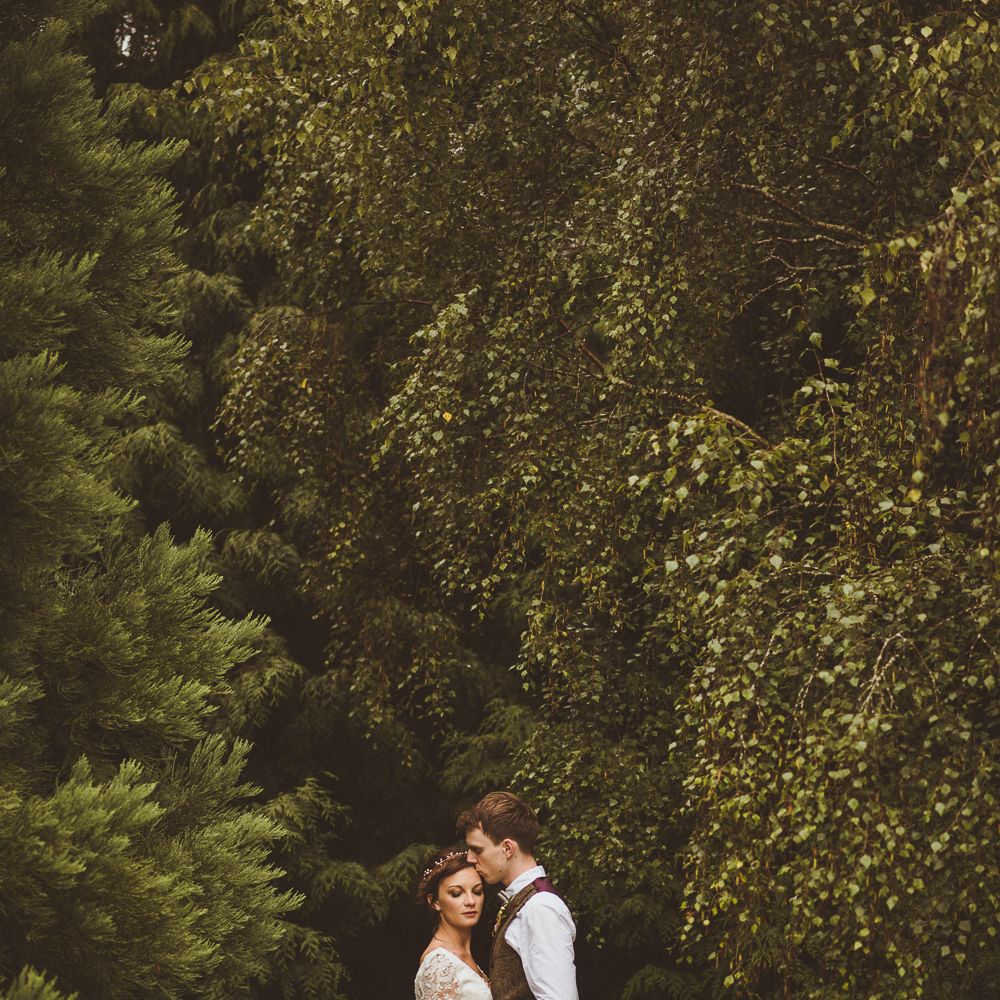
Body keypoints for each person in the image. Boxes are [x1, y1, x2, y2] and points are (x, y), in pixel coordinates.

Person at [458, 792, 579, 1000]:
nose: (470, 858)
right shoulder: (526, 903)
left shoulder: (541, 908)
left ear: (507, 848)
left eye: (477, 850)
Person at [415, 846, 493, 1000]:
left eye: (477, 891)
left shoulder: (462, 956)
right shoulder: (439, 964)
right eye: (456, 893)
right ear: (434, 901)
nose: (471, 901)